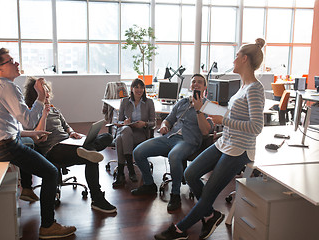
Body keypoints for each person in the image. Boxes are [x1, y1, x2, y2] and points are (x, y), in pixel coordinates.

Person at [154, 38, 266, 240]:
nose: (234, 60)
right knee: (190, 173)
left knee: (208, 195)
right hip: (225, 143)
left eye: (236, 56)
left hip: (239, 149)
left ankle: (180, 229)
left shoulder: (255, 89)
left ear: (245, 59)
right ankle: (210, 214)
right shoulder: (243, 87)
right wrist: (219, 116)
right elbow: (236, 117)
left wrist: (224, 120)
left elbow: (257, 127)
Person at [0, 48, 76, 239]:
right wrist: (39, 96)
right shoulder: (8, 87)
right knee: (51, 172)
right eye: (11, 61)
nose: (16, 63)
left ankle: (27, 189)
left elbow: (10, 126)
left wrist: (34, 132)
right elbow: (28, 121)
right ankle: (48, 226)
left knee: (29, 142)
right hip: (3, 147)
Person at [20, 76, 117, 213]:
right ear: (35, 93)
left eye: (47, 90)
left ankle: (85, 148)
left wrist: (72, 133)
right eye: (44, 91)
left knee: (106, 137)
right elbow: (37, 136)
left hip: (68, 142)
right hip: (53, 150)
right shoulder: (32, 113)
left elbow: (66, 126)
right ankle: (97, 198)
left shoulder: (55, 110)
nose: (47, 93)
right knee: (91, 156)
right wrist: (44, 114)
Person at [131, 74, 214, 212]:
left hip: (189, 141)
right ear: (190, 85)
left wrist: (198, 109)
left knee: (174, 156)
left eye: (200, 82)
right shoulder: (182, 102)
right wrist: (165, 125)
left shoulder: (208, 107)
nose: (196, 84)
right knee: (138, 152)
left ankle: (175, 194)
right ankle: (149, 184)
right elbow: (168, 119)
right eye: (194, 82)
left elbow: (206, 131)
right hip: (170, 138)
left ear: (205, 87)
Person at [112, 78, 155, 187]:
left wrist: (144, 124)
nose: (139, 90)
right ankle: (130, 168)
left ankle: (121, 174)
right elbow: (118, 120)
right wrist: (125, 122)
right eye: (136, 87)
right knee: (125, 130)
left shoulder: (149, 102)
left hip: (140, 133)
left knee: (119, 139)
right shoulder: (125, 102)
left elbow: (153, 123)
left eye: (141, 87)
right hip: (126, 131)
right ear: (131, 88)